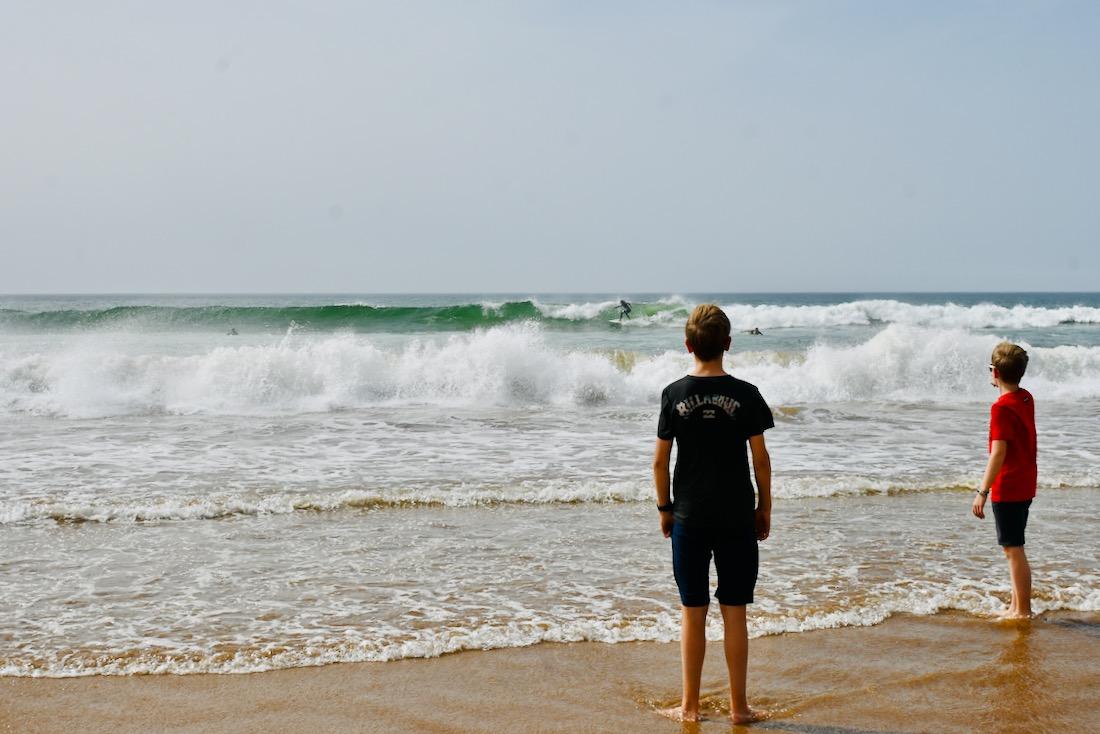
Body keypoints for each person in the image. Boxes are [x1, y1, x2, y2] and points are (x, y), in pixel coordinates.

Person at [653, 304, 774, 724]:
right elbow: (760, 459)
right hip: (737, 514)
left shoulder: (674, 394)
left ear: (687, 346)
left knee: (693, 610)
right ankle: (740, 707)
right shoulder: (747, 394)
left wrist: (664, 509)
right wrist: (764, 507)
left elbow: (659, 462)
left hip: (689, 515)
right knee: (735, 609)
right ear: (728, 343)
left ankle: (689, 707)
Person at [971, 342, 1037, 619]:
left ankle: (1022, 611)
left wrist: (982, 491)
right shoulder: (1025, 398)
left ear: (994, 373)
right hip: (1026, 481)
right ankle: (1015, 605)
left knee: (1013, 549)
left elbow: (998, 454)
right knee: (1015, 546)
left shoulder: (1001, 408)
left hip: (1008, 486)